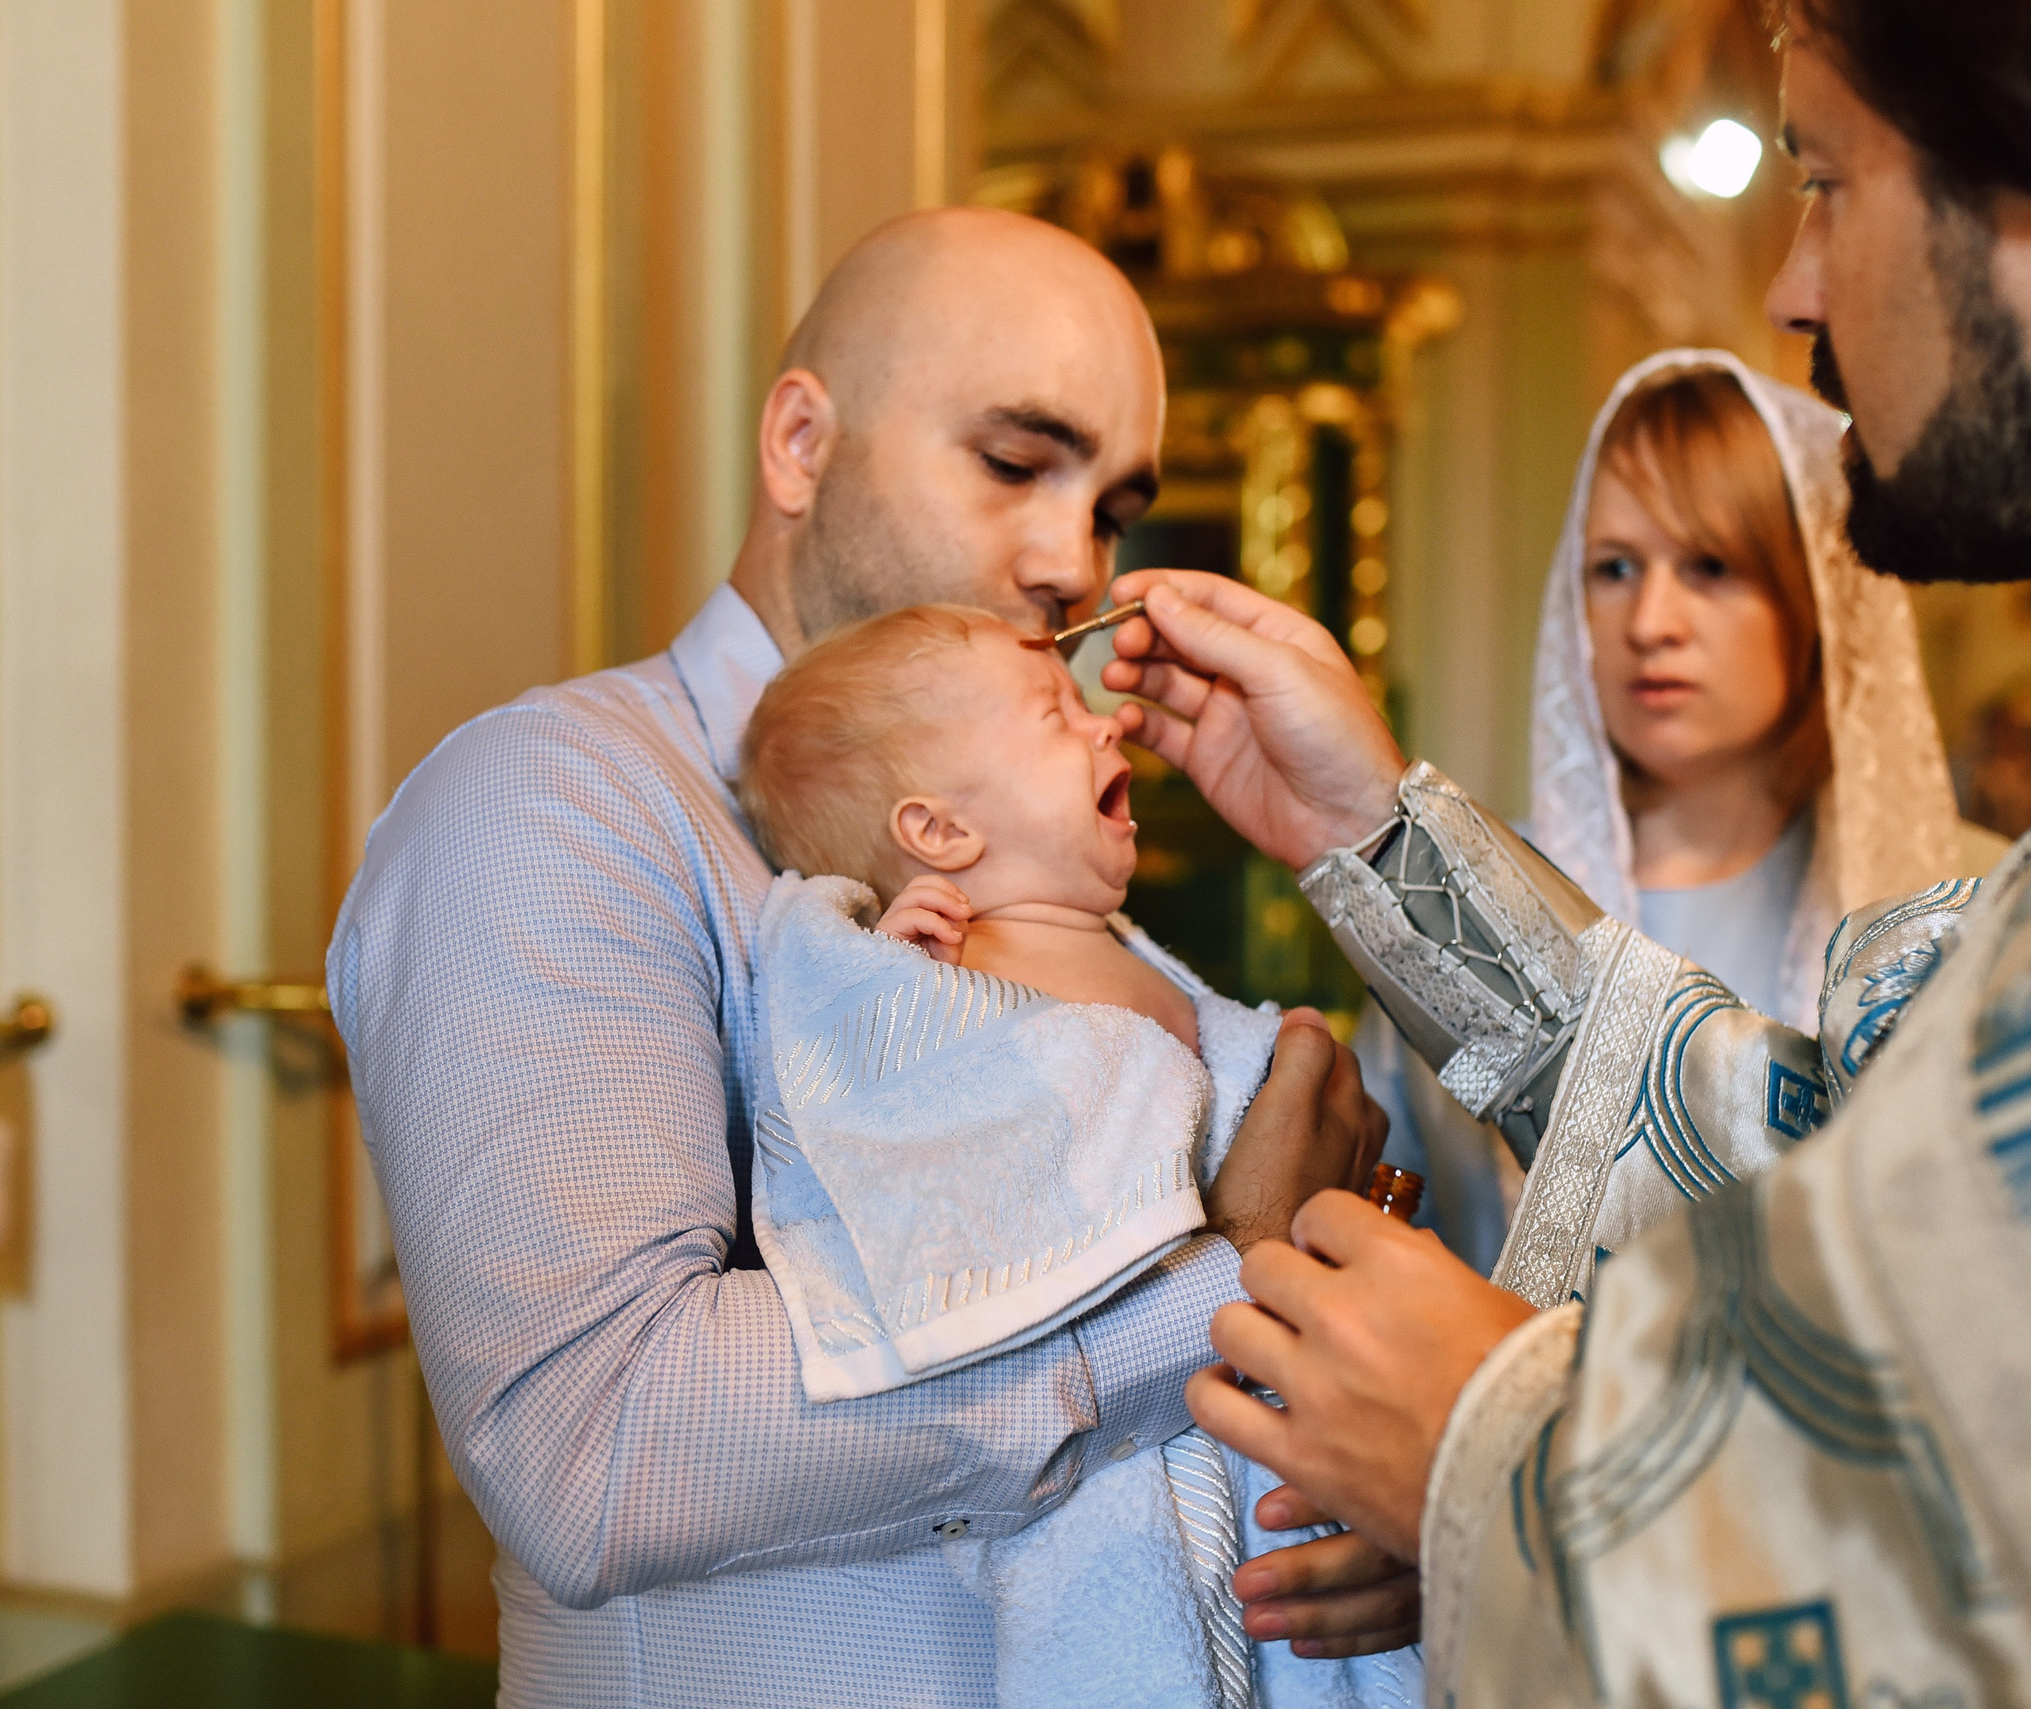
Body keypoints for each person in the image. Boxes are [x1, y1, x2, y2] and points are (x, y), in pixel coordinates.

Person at [1099, 0, 2031, 1699]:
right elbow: (1879, 1179)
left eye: (1832, 179)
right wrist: (1373, 829)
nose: (1791, 287)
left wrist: (1501, 1440)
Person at [326, 208, 1410, 1707]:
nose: (1068, 562)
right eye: (1015, 464)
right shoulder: (559, 800)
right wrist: (1230, 1292)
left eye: (1111, 506)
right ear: (797, 443)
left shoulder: (1017, 840)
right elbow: (600, 1447)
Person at [731, 602, 1418, 1708]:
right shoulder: (941, 986)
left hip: (1271, 1431)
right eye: (1056, 711)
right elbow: (900, 1147)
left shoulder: (1123, 947)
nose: (1108, 724)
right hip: (1115, 1493)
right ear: (940, 832)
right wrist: (892, 1001)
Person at [1362, 348, 1998, 1271]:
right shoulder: (1458, 893)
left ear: (1814, 596)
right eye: (1614, 567)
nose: (1651, 620)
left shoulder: (1962, 901)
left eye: (1708, 565)